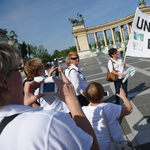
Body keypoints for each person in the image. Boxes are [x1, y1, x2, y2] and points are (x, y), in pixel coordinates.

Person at [0, 44, 99, 150]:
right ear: (5, 82)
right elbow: (93, 147)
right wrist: (73, 102)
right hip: (63, 112)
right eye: (17, 69)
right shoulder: (49, 121)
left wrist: (26, 103)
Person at [82, 82, 133, 150]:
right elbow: (129, 109)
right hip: (116, 141)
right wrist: (123, 97)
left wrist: (91, 99)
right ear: (102, 95)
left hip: (99, 143)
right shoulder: (108, 107)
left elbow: (90, 105)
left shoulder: (84, 110)